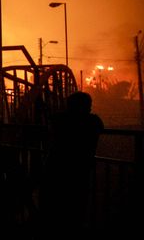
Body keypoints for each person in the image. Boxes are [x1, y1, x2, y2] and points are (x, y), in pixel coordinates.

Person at [38, 91, 104, 239]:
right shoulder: (92, 122)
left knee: (54, 209)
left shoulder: (59, 120)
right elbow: (101, 126)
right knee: (76, 208)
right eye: (89, 105)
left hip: (55, 170)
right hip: (80, 170)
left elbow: (52, 122)